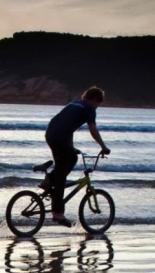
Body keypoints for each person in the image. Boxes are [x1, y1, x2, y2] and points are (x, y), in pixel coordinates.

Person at [45, 87, 110, 227]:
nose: (98, 107)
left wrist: (71, 148)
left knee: (73, 157)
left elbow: (64, 125)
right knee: (61, 176)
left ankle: (49, 179)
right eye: (99, 104)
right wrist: (103, 147)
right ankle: (58, 213)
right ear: (95, 100)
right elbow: (93, 129)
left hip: (51, 134)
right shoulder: (90, 108)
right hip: (61, 137)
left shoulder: (74, 103)